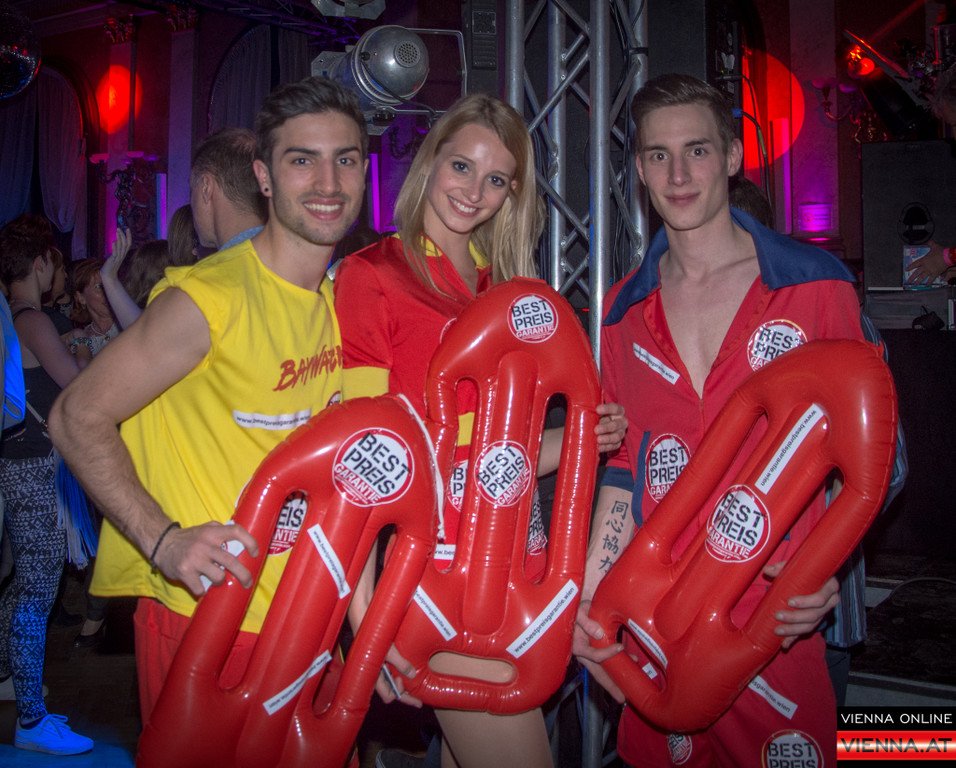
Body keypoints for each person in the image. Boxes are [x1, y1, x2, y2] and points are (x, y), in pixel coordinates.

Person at [572, 74, 880, 767]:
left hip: (775, 624)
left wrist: (827, 569)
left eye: (698, 151)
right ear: (639, 169)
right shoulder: (621, 312)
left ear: (733, 156)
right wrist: (593, 593)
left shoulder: (816, 286)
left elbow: (875, 457)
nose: (678, 175)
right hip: (656, 625)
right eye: (658, 155)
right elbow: (622, 470)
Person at [48, 75, 367, 725]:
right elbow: (76, 415)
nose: (328, 182)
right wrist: (163, 540)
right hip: (210, 618)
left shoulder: (344, 301)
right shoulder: (208, 298)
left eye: (346, 159)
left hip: (311, 615)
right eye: (302, 160)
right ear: (265, 177)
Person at [335, 93, 626, 768]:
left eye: (496, 179)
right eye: (461, 166)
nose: (474, 191)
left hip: (514, 566)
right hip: (433, 575)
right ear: (430, 162)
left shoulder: (505, 293)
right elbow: (360, 456)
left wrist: (581, 440)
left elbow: (497, 457)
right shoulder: (373, 275)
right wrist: (365, 618)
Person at [0, 214, 93, 755]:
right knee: (38, 591)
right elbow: (77, 387)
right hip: (35, 467)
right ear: (39, 263)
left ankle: (10, 681)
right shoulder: (32, 318)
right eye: (54, 262)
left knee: (22, 586)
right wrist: (80, 350)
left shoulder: (12, 316)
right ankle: (31, 721)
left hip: (20, 463)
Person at [189, 127, 267, 251]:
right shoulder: (292, 256)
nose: (191, 203)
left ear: (206, 187)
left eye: (192, 190)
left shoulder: (217, 264)